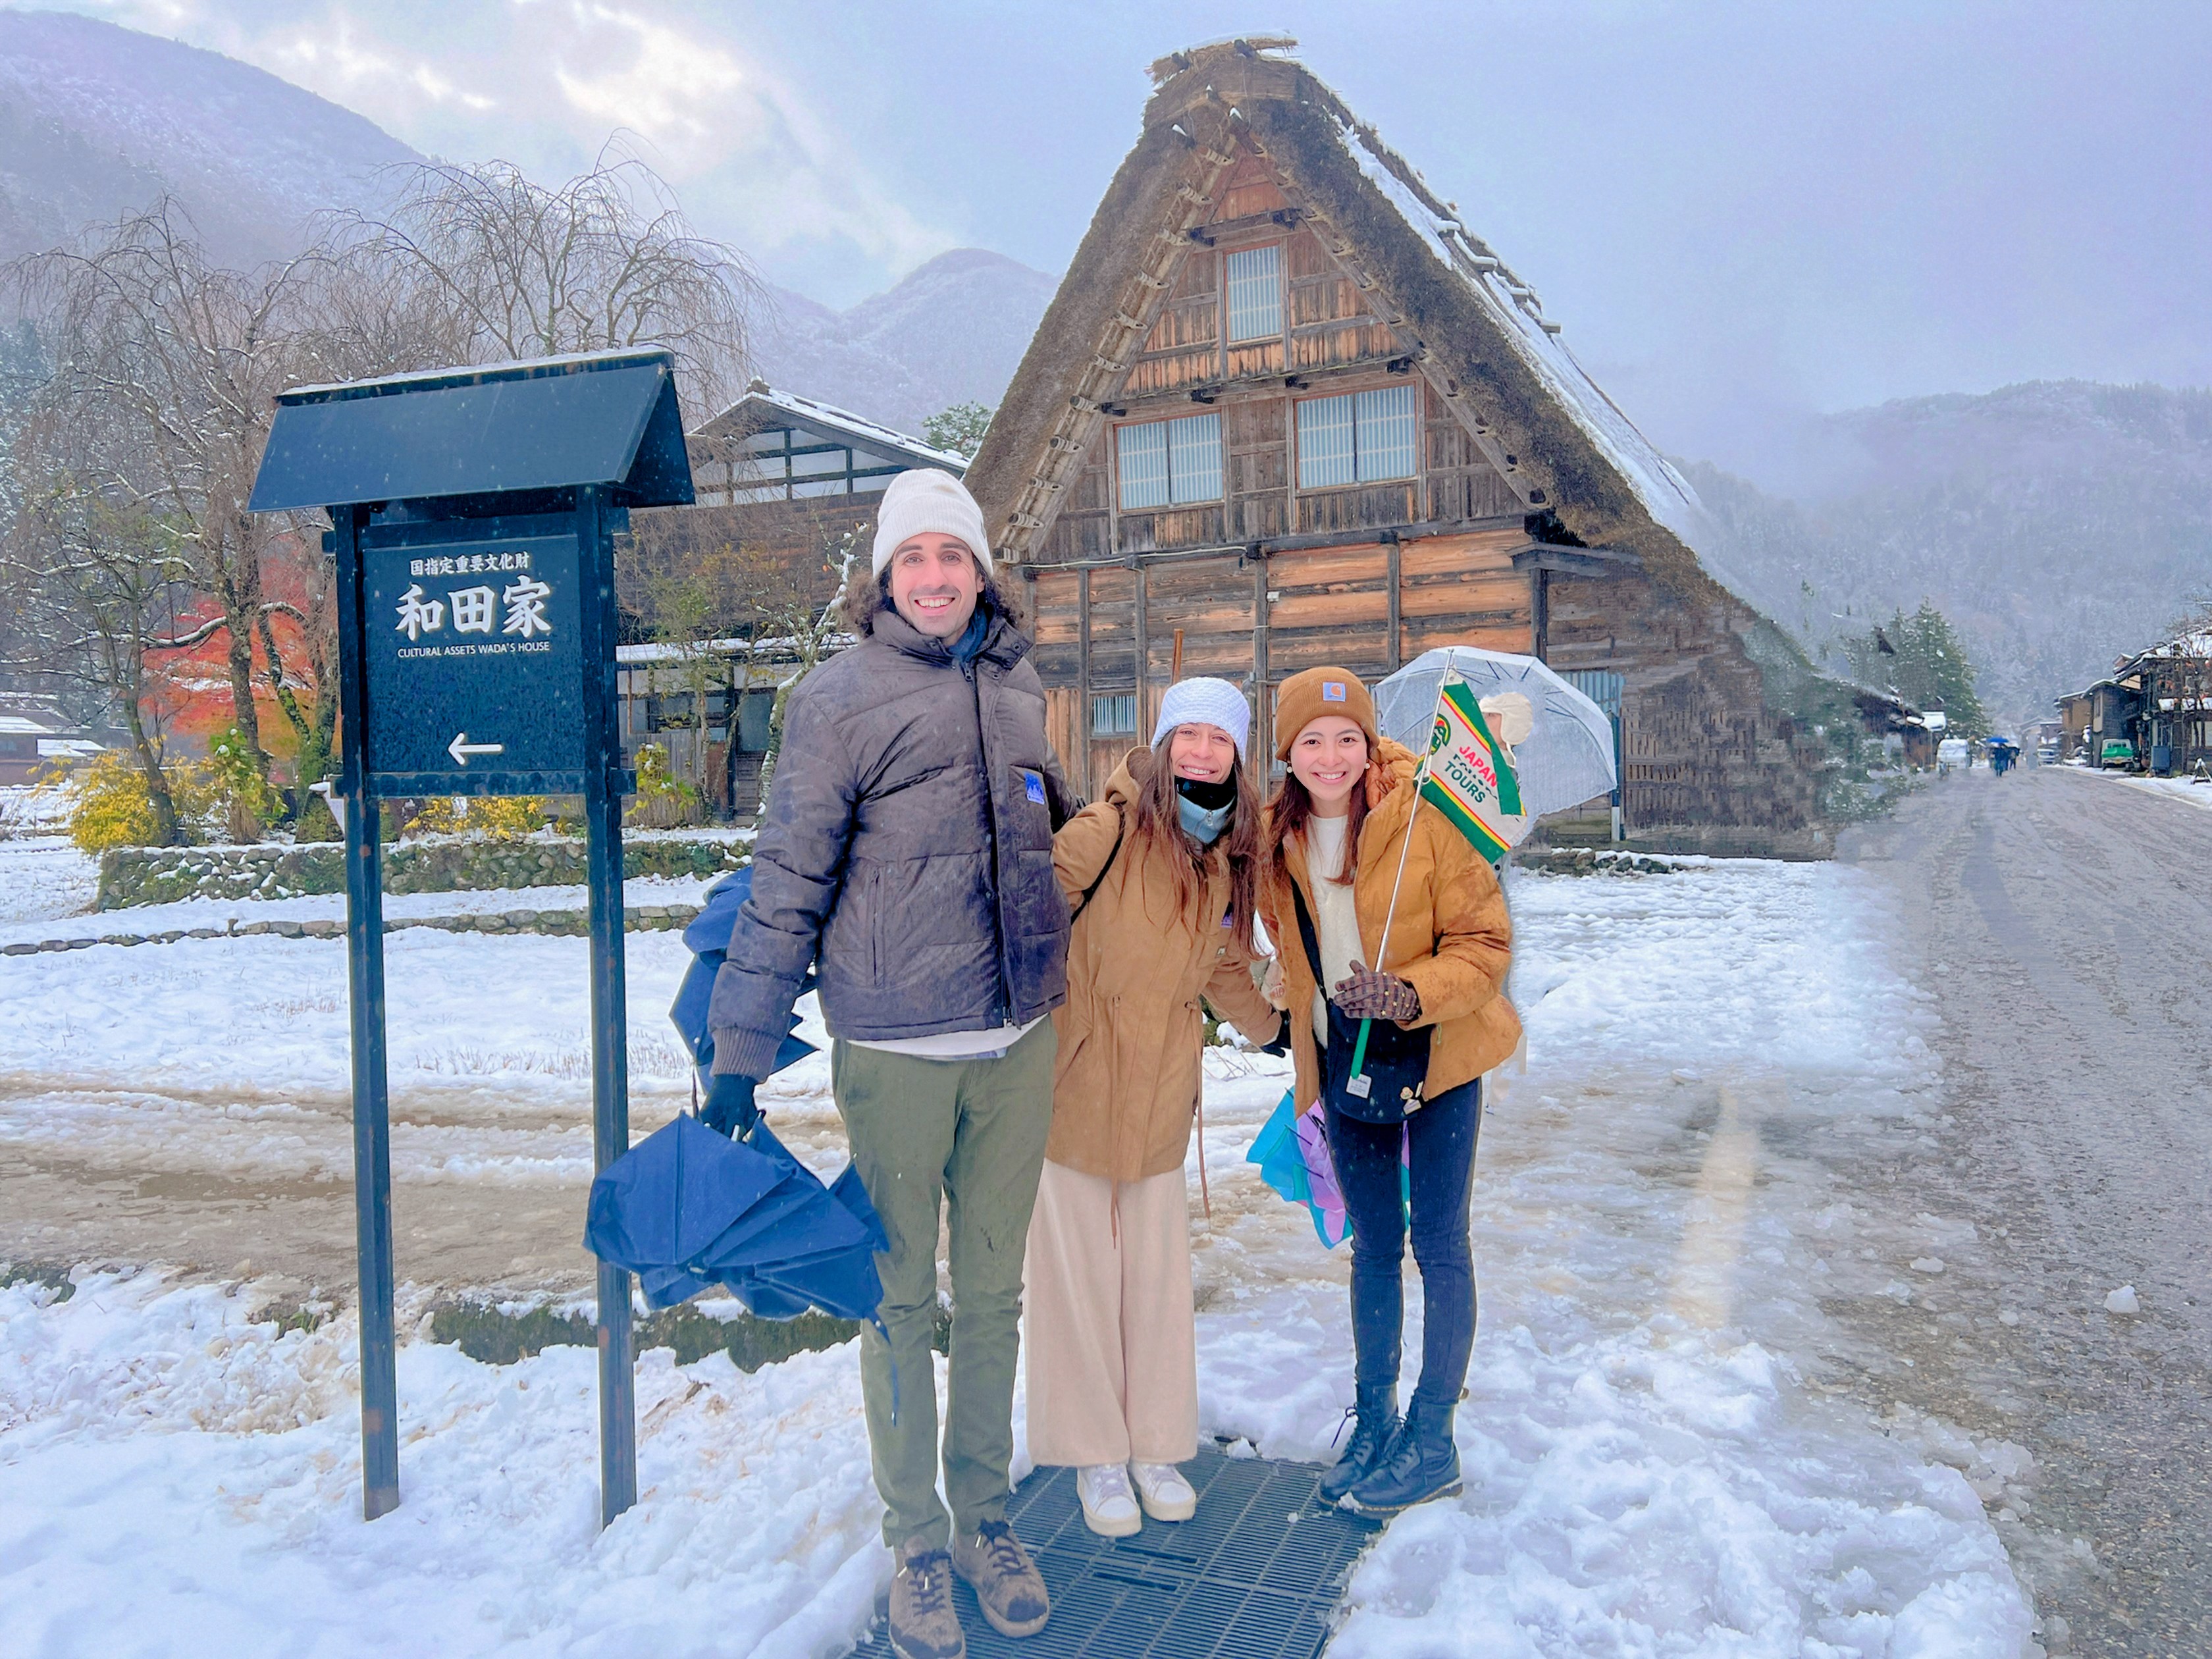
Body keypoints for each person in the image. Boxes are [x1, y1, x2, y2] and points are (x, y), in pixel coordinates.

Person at [706, 467, 1076, 1659]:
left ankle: (988, 1520)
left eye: (952, 559)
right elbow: (788, 877)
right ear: (884, 577)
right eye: (912, 561)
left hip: (1018, 1042)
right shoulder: (836, 699)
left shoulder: (1019, 688)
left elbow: (1041, 835)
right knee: (901, 1299)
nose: (933, 579)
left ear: (979, 573)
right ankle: (916, 1538)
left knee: (997, 1299)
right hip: (896, 1048)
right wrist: (740, 1049)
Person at [1257, 665, 1519, 1517]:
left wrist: (1408, 993)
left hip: (1438, 1061)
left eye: (1347, 739)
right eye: (1311, 740)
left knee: (1440, 1243)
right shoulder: (1276, 841)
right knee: (1375, 1245)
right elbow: (1282, 945)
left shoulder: (1430, 820)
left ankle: (1432, 1437)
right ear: (1287, 752)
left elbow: (1486, 946)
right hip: (1345, 1065)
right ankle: (1375, 1422)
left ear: (1370, 746)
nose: (1330, 756)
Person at [1023, 677, 1282, 1537]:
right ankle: (1096, 1455)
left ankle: (1155, 1444)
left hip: (1166, 1095)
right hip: (1077, 1090)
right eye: (1189, 734)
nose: (1203, 750)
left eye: (1221, 737)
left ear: (1238, 755)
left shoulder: (1218, 853)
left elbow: (1217, 963)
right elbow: (1015, 923)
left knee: (1158, 1285)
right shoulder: (1102, 834)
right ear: (1165, 743)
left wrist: (1271, 1030)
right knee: (1078, 1284)